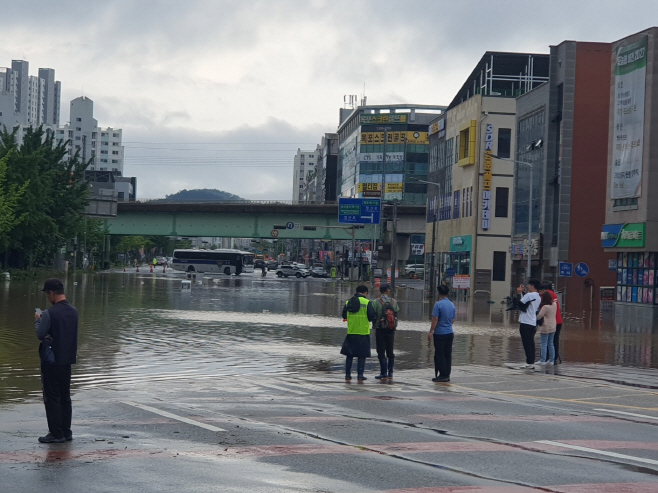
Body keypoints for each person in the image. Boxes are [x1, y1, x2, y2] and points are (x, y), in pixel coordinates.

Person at [34, 278, 79, 443]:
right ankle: (66, 432)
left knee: (52, 397)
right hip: (67, 360)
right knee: (65, 396)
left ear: (51, 293)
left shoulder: (49, 313)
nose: (47, 297)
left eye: (47, 294)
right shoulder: (74, 311)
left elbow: (40, 334)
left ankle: (56, 433)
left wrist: (38, 320)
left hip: (51, 361)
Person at [340, 285, 376, 381]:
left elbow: (343, 315)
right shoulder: (367, 302)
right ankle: (360, 375)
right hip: (363, 332)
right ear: (365, 293)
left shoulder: (348, 302)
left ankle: (347, 375)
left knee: (349, 355)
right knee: (362, 355)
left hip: (351, 331)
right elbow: (372, 316)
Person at [428, 285, 456, 382]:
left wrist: (431, 331)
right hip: (450, 333)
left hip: (440, 333)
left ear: (439, 293)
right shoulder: (452, 305)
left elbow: (435, 318)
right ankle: (447, 373)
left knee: (440, 354)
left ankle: (443, 375)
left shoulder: (438, 305)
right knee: (448, 353)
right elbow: (453, 320)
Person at [372, 284, 400, 379]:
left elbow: (372, 315)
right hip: (391, 330)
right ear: (387, 291)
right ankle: (390, 373)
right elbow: (396, 313)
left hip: (380, 329)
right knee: (390, 351)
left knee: (381, 351)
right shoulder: (394, 302)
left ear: (380, 291)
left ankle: (383, 373)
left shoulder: (375, 302)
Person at [513, 279, 542, 369]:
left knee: (526, 343)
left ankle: (529, 362)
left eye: (529, 285)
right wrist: (522, 293)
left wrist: (518, 293)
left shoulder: (529, 295)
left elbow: (519, 304)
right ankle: (531, 361)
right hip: (533, 322)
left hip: (525, 322)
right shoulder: (538, 296)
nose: (528, 286)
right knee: (531, 342)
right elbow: (525, 303)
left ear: (533, 286)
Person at [539, 282, 563, 364]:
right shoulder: (553, 294)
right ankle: (553, 359)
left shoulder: (547, 294)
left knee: (546, 342)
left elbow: (540, 310)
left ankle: (545, 359)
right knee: (553, 341)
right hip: (557, 321)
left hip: (550, 322)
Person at [536, 291, 557, 365]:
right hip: (553, 326)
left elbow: (539, 316)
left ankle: (542, 360)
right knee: (551, 344)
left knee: (544, 344)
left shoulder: (545, 307)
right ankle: (551, 360)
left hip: (545, 327)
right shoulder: (554, 304)